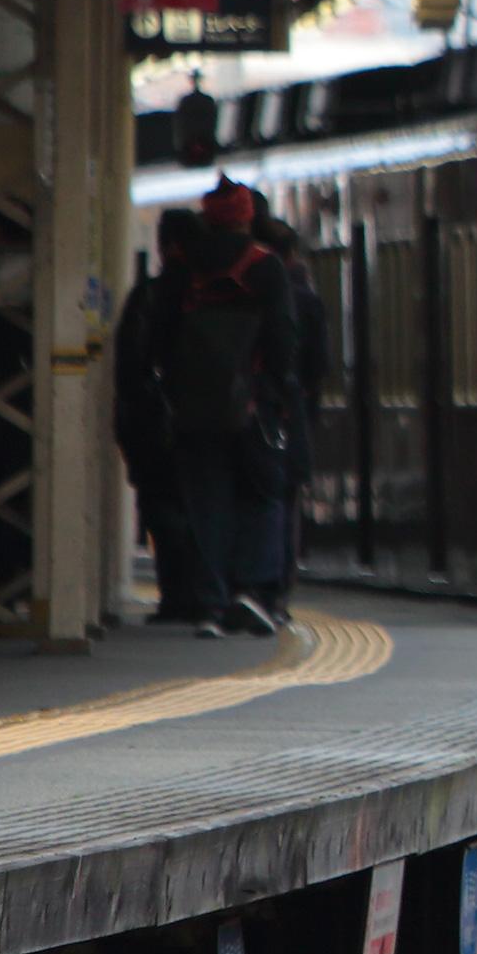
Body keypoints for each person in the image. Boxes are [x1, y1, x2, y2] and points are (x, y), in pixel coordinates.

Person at [156, 181, 299, 639]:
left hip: (194, 409)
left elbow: (158, 335)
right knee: (262, 495)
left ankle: (210, 605)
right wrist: (275, 392)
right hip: (254, 406)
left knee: (205, 504)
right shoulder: (264, 268)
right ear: (246, 216)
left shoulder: (183, 270)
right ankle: (251, 592)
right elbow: (283, 338)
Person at [115, 211, 208, 621]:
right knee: (205, 505)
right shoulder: (214, 294)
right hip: (210, 420)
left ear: (166, 246)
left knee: (162, 508)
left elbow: (129, 365)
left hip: (155, 422)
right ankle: (209, 593)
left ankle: (177, 595)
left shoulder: (150, 297)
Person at [249, 213, 327, 620]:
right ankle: (274, 592)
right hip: (285, 416)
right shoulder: (306, 300)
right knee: (281, 501)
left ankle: (243, 588)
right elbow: (318, 368)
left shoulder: (233, 287)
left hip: (240, 413)